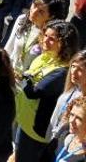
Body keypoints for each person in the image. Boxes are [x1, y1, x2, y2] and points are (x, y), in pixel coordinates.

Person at [15, 20, 79, 161]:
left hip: (35, 132)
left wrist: (21, 77)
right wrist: (24, 77)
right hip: (23, 120)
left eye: (52, 39)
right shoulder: (45, 56)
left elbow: (33, 92)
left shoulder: (62, 71)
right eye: (45, 35)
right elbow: (28, 78)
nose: (45, 41)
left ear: (65, 44)